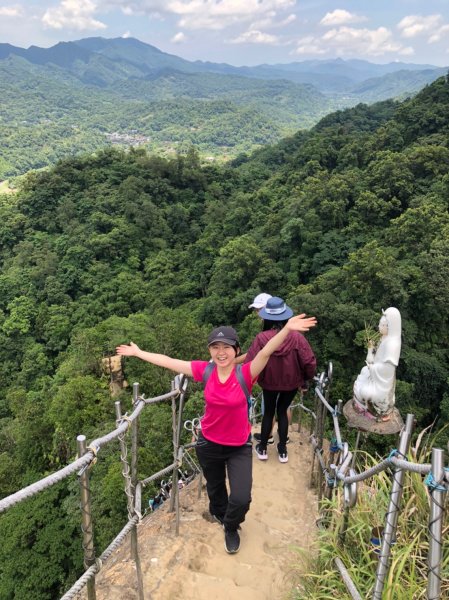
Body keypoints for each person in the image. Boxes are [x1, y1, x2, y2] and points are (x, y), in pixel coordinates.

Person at [116, 312, 316, 554]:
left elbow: (265, 352)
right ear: (210, 350)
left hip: (238, 446)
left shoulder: (246, 373)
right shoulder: (205, 371)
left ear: (236, 350)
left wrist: (286, 330)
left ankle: (231, 525)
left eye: (227, 347)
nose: (221, 352)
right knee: (216, 488)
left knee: (242, 498)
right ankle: (222, 517)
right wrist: (139, 353)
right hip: (208, 444)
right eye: (215, 347)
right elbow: (169, 361)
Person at [244, 297, 317, 464]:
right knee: (282, 411)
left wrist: (249, 380)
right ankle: (282, 450)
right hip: (291, 383)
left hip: (268, 382)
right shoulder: (297, 338)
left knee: (268, 412)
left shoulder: (262, 338)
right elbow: (309, 361)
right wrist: (306, 379)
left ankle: (262, 448)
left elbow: (250, 362)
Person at [353, 307, 401, 420]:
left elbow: (387, 371)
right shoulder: (384, 339)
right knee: (364, 370)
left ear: (389, 326)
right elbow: (375, 359)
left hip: (382, 384)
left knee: (365, 392)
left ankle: (374, 409)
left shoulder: (392, 344)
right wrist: (370, 351)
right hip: (375, 375)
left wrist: (373, 368)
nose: (379, 327)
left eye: (382, 325)